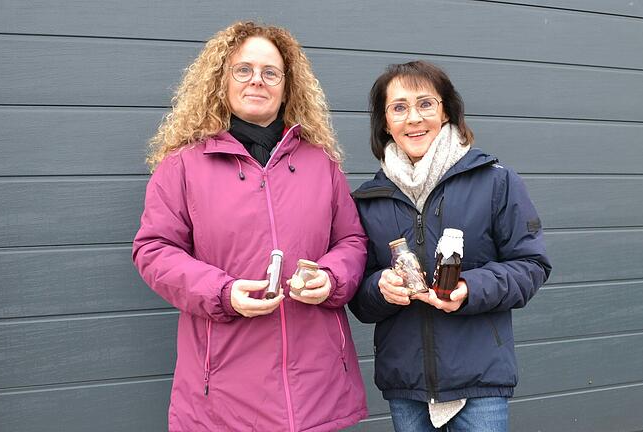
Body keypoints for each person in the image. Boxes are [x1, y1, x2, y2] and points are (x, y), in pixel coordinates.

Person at [132, 21, 368, 432]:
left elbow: (351, 240)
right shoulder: (182, 165)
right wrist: (222, 293)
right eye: (243, 69)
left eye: (270, 72)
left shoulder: (321, 164)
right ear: (221, 79)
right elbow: (154, 250)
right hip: (223, 396)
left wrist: (331, 279)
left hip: (317, 389)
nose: (257, 80)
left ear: (286, 84)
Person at [349, 60, 552, 431]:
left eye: (425, 104)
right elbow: (358, 295)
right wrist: (380, 288)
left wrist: (469, 289)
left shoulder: (495, 181)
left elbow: (531, 265)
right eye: (399, 107)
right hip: (406, 383)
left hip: (480, 380)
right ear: (384, 122)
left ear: (446, 112)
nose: (413, 118)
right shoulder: (368, 199)